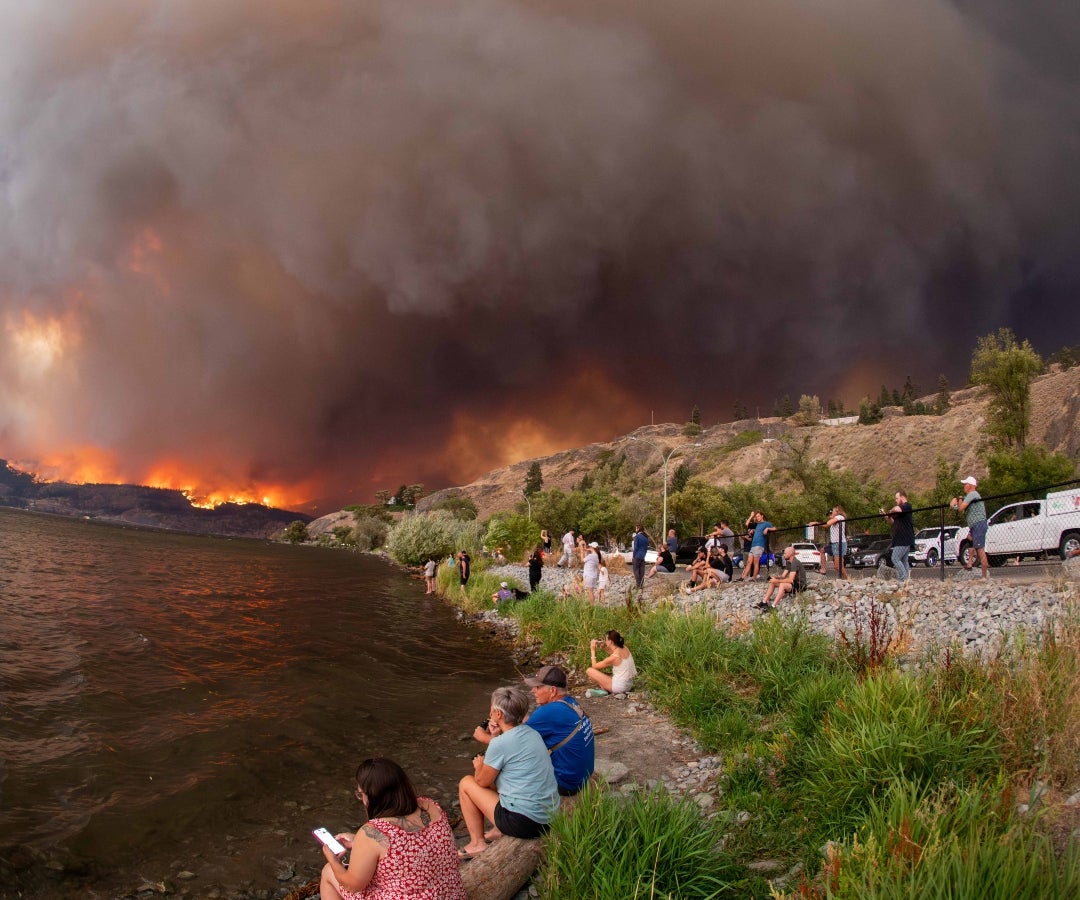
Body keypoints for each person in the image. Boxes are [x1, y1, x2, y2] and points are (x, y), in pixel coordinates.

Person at [318, 757, 466, 900]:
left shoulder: (373, 831)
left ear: (372, 796)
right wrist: (358, 842)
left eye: (361, 794)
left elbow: (353, 886)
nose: (362, 800)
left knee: (329, 872)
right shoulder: (431, 806)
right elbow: (412, 847)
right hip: (451, 894)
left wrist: (332, 860)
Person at [457, 687, 560, 858]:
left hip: (526, 823)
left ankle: (477, 844)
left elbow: (482, 781)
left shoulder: (500, 744)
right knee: (505, 778)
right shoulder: (532, 732)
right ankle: (498, 830)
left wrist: (479, 766)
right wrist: (496, 736)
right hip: (548, 816)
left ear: (498, 713)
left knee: (466, 783)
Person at [473, 666, 594, 798]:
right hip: (582, 776)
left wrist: (485, 737)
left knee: (500, 771)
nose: (532, 691)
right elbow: (530, 725)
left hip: (566, 783)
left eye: (537, 687)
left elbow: (513, 746)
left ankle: (504, 806)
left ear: (552, 690)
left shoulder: (548, 711)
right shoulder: (568, 703)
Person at [952, 476, 988, 578]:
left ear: (971, 486)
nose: (964, 486)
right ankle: (969, 563)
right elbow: (960, 507)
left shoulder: (972, 494)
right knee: (970, 540)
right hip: (974, 525)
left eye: (965, 484)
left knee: (980, 549)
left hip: (978, 524)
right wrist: (955, 505)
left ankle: (984, 576)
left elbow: (961, 508)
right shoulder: (972, 496)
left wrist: (958, 500)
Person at [755, 545, 806, 610]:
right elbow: (783, 576)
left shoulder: (795, 563)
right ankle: (764, 602)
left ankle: (773, 606)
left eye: (785, 553)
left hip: (800, 586)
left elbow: (790, 580)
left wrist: (777, 581)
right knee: (772, 582)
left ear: (790, 554)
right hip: (793, 583)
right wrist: (775, 578)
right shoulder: (789, 562)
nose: (783, 555)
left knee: (782, 585)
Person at [883, 490, 915, 586]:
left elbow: (897, 509)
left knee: (895, 558)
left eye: (897, 498)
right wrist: (886, 515)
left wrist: (891, 510)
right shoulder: (900, 512)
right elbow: (893, 522)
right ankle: (907, 579)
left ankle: (903, 578)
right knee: (904, 560)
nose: (896, 500)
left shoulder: (906, 506)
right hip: (899, 538)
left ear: (902, 497)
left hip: (904, 539)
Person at [811, 506, 848, 579]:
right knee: (822, 550)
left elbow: (828, 523)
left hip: (839, 543)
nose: (830, 515)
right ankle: (823, 569)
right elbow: (826, 525)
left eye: (832, 512)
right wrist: (816, 523)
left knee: (838, 566)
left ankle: (848, 579)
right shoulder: (835, 520)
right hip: (834, 543)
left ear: (837, 512)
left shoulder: (840, 517)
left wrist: (830, 519)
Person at [739, 512, 774, 581]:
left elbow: (774, 528)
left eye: (758, 516)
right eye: (756, 517)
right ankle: (743, 577)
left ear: (762, 516)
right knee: (749, 562)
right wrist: (751, 516)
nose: (757, 518)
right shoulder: (757, 524)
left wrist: (767, 529)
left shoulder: (766, 523)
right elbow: (747, 524)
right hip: (753, 545)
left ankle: (754, 578)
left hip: (759, 545)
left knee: (756, 562)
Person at [631, 524, 650, 589]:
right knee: (642, 571)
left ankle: (638, 585)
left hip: (637, 555)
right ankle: (641, 584)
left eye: (636, 528)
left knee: (636, 570)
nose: (635, 530)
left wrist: (633, 556)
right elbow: (646, 547)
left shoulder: (637, 536)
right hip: (643, 556)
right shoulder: (646, 537)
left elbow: (636, 548)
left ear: (638, 529)